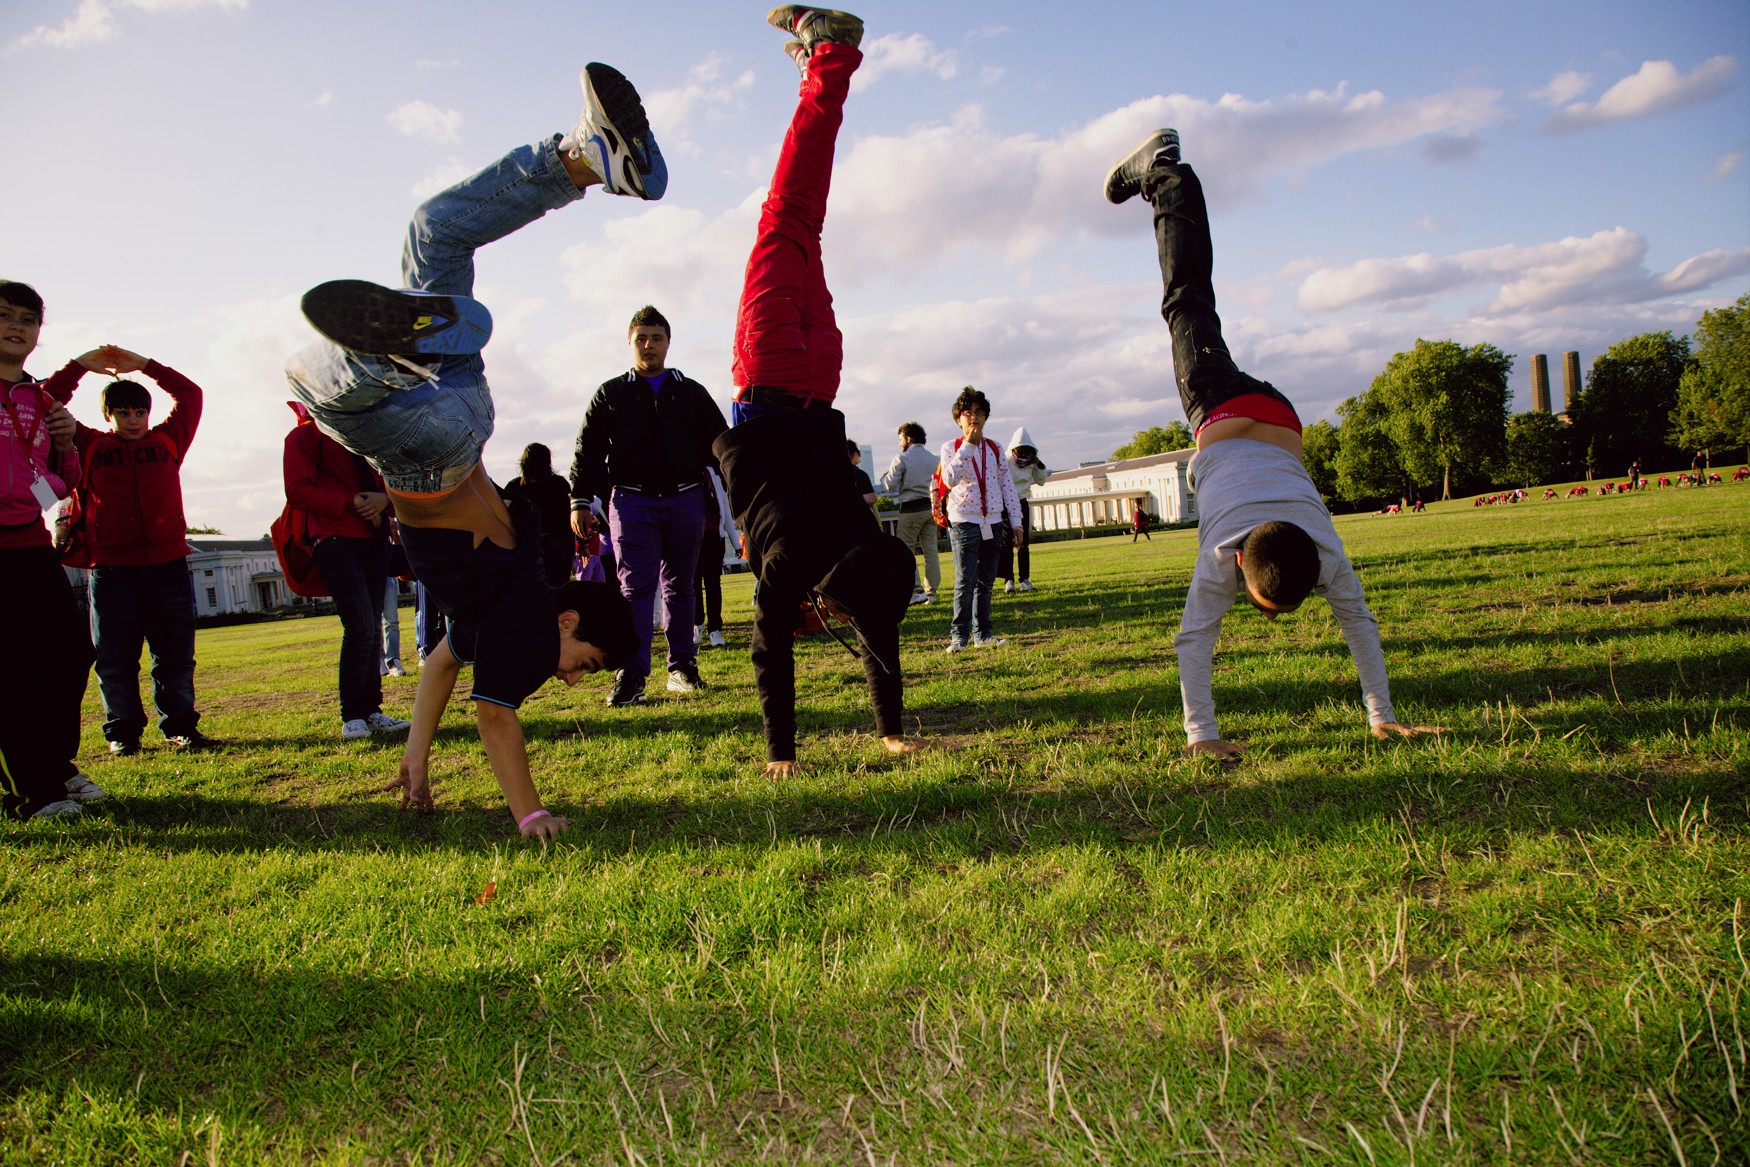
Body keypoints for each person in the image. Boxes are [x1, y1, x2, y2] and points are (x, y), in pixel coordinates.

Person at [283, 62, 654, 839]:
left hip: (467, 410)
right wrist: (530, 810)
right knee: (308, 381)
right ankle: (381, 358)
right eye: (584, 661)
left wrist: (416, 757)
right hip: (427, 454)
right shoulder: (524, 633)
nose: (571, 675)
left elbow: (439, 665)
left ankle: (582, 160)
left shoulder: (509, 603)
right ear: (568, 622)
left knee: (434, 229)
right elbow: (493, 720)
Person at [1105, 128, 1441, 760]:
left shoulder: (1327, 555)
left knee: (1196, 305)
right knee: (1186, 300)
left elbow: (1362, 628)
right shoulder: (1220, 562)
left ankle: (1167, 182)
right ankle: (1165, 175)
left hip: (1283, 421)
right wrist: (1199, 737)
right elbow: (1193, 643)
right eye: (1265, 606)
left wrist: (1384, 718)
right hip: (1222, 408)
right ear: (1237, 565)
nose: (1267, 618)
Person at [710, 4, 924, 778]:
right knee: (788, 213)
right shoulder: (804, 557)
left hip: (822, 373)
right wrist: (781, 754)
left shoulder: (862, 540)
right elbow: (770, 648)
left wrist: (894, 731)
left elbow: (875, 615)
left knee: (805, 222)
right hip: (769, 373)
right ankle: (829, 61)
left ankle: (815, 65)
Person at [54, 345, 215, 756]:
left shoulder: (169, 439)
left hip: (169, 567)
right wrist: (77, 367)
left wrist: (144, 365)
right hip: (111, 571)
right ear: (108, 416)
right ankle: (123, 735)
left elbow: (191, 394)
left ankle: (181, 728)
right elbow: (45, 403)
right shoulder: (89, 444)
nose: (133, 420)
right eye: (123, 413)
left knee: (175, 658)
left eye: (139, 412)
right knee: (115, 661)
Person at [568, 306, 727, 706]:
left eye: (656, 338)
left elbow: (722, 443)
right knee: (635, 588)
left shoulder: (690, 391)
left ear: (668, 342)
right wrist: (579, 501)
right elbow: (587, 451)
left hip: (685, 496)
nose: (649, 345)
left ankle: (682, 669)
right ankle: (632, 673)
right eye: (641, 338)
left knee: (682, 585)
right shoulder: (611, 393)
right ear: (629, 342)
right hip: (632, 499)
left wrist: (742, 489)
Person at [0, 280, 103, 820]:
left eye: (27, 319)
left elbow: (57, 485)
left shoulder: (39, 401)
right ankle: (34, 789)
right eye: (3, 316)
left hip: (30, 546)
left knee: (69, 654)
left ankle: (55, 764)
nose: (16, 326)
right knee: (12, 669)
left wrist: (65, 446)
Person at [281, 400, 413, 741]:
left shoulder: (366, 436)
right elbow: (297, 490)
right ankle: (353, 715)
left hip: (373, 539)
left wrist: (384, 500)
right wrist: (352, 502)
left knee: (368, 626)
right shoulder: (304, 437)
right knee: (359, 627)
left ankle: (370, 710)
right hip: (334, 540)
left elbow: (394, 477)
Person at [938, 386, 1023, 653]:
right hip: (964, 520)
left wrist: (1017, 520)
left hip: (994, 521)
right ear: (958, 419)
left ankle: (983, 634)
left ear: (986, 416)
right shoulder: (950, 447)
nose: (973, 417)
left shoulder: (996, 449)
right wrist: (968, 447)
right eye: (967, 413)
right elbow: (949, 479)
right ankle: (959, 635)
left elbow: (1007, 485)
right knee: (965, 580)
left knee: (986, 580)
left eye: (978, 412)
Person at [879, 421, 940, 605]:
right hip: (930, 509)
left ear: (909, 438)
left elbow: (889, 484)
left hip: (910, 510)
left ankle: (916, 590)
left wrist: (884, 476)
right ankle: (932, 592)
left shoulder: (902, 458)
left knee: (906, 551)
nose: (899, 443)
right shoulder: (935, 459)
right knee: (931, 551)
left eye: (900, 439)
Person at [504, 442, 575, 589]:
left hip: (528, 546)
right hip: (558, 545)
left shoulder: (514, 488)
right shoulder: (559, 484)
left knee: (531, 590)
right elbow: (567, 518)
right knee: (559, 588)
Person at [999, 426, 1047, 592]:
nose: (1024, 456)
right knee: (1006, 544)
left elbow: (1041, 481)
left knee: (1023, 544)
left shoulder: (1031, 463)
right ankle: (1008, 579)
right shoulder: (1006, 461)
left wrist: (1039, 465)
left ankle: (1024, 579)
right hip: (1005, 505)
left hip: (1022, 503)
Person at [693, 469, 734, 649]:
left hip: (713, 537)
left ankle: (715, 629)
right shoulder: (684, 470)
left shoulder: (712, 474)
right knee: (693, 584)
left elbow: (724, 507)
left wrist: (736, 542)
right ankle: (697, 624)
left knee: (713, 584)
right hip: (691, 537)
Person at [847, 439, 877, 505]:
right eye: (857, 451)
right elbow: (871, 499)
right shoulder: (859, 474)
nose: (859, 454)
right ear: (851, 453)